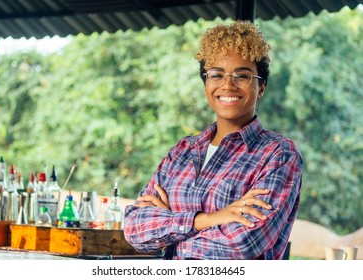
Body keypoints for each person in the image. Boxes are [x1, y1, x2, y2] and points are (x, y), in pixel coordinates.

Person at [124, 20, 303, 260]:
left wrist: (170, 233)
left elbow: (242, 244)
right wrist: (209, 219)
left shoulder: (278, 155)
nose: (228, 85)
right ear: (206, 83)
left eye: (242, 75)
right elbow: (135, 229)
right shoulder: (182, 152)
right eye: (216, 74)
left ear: (261, 87)